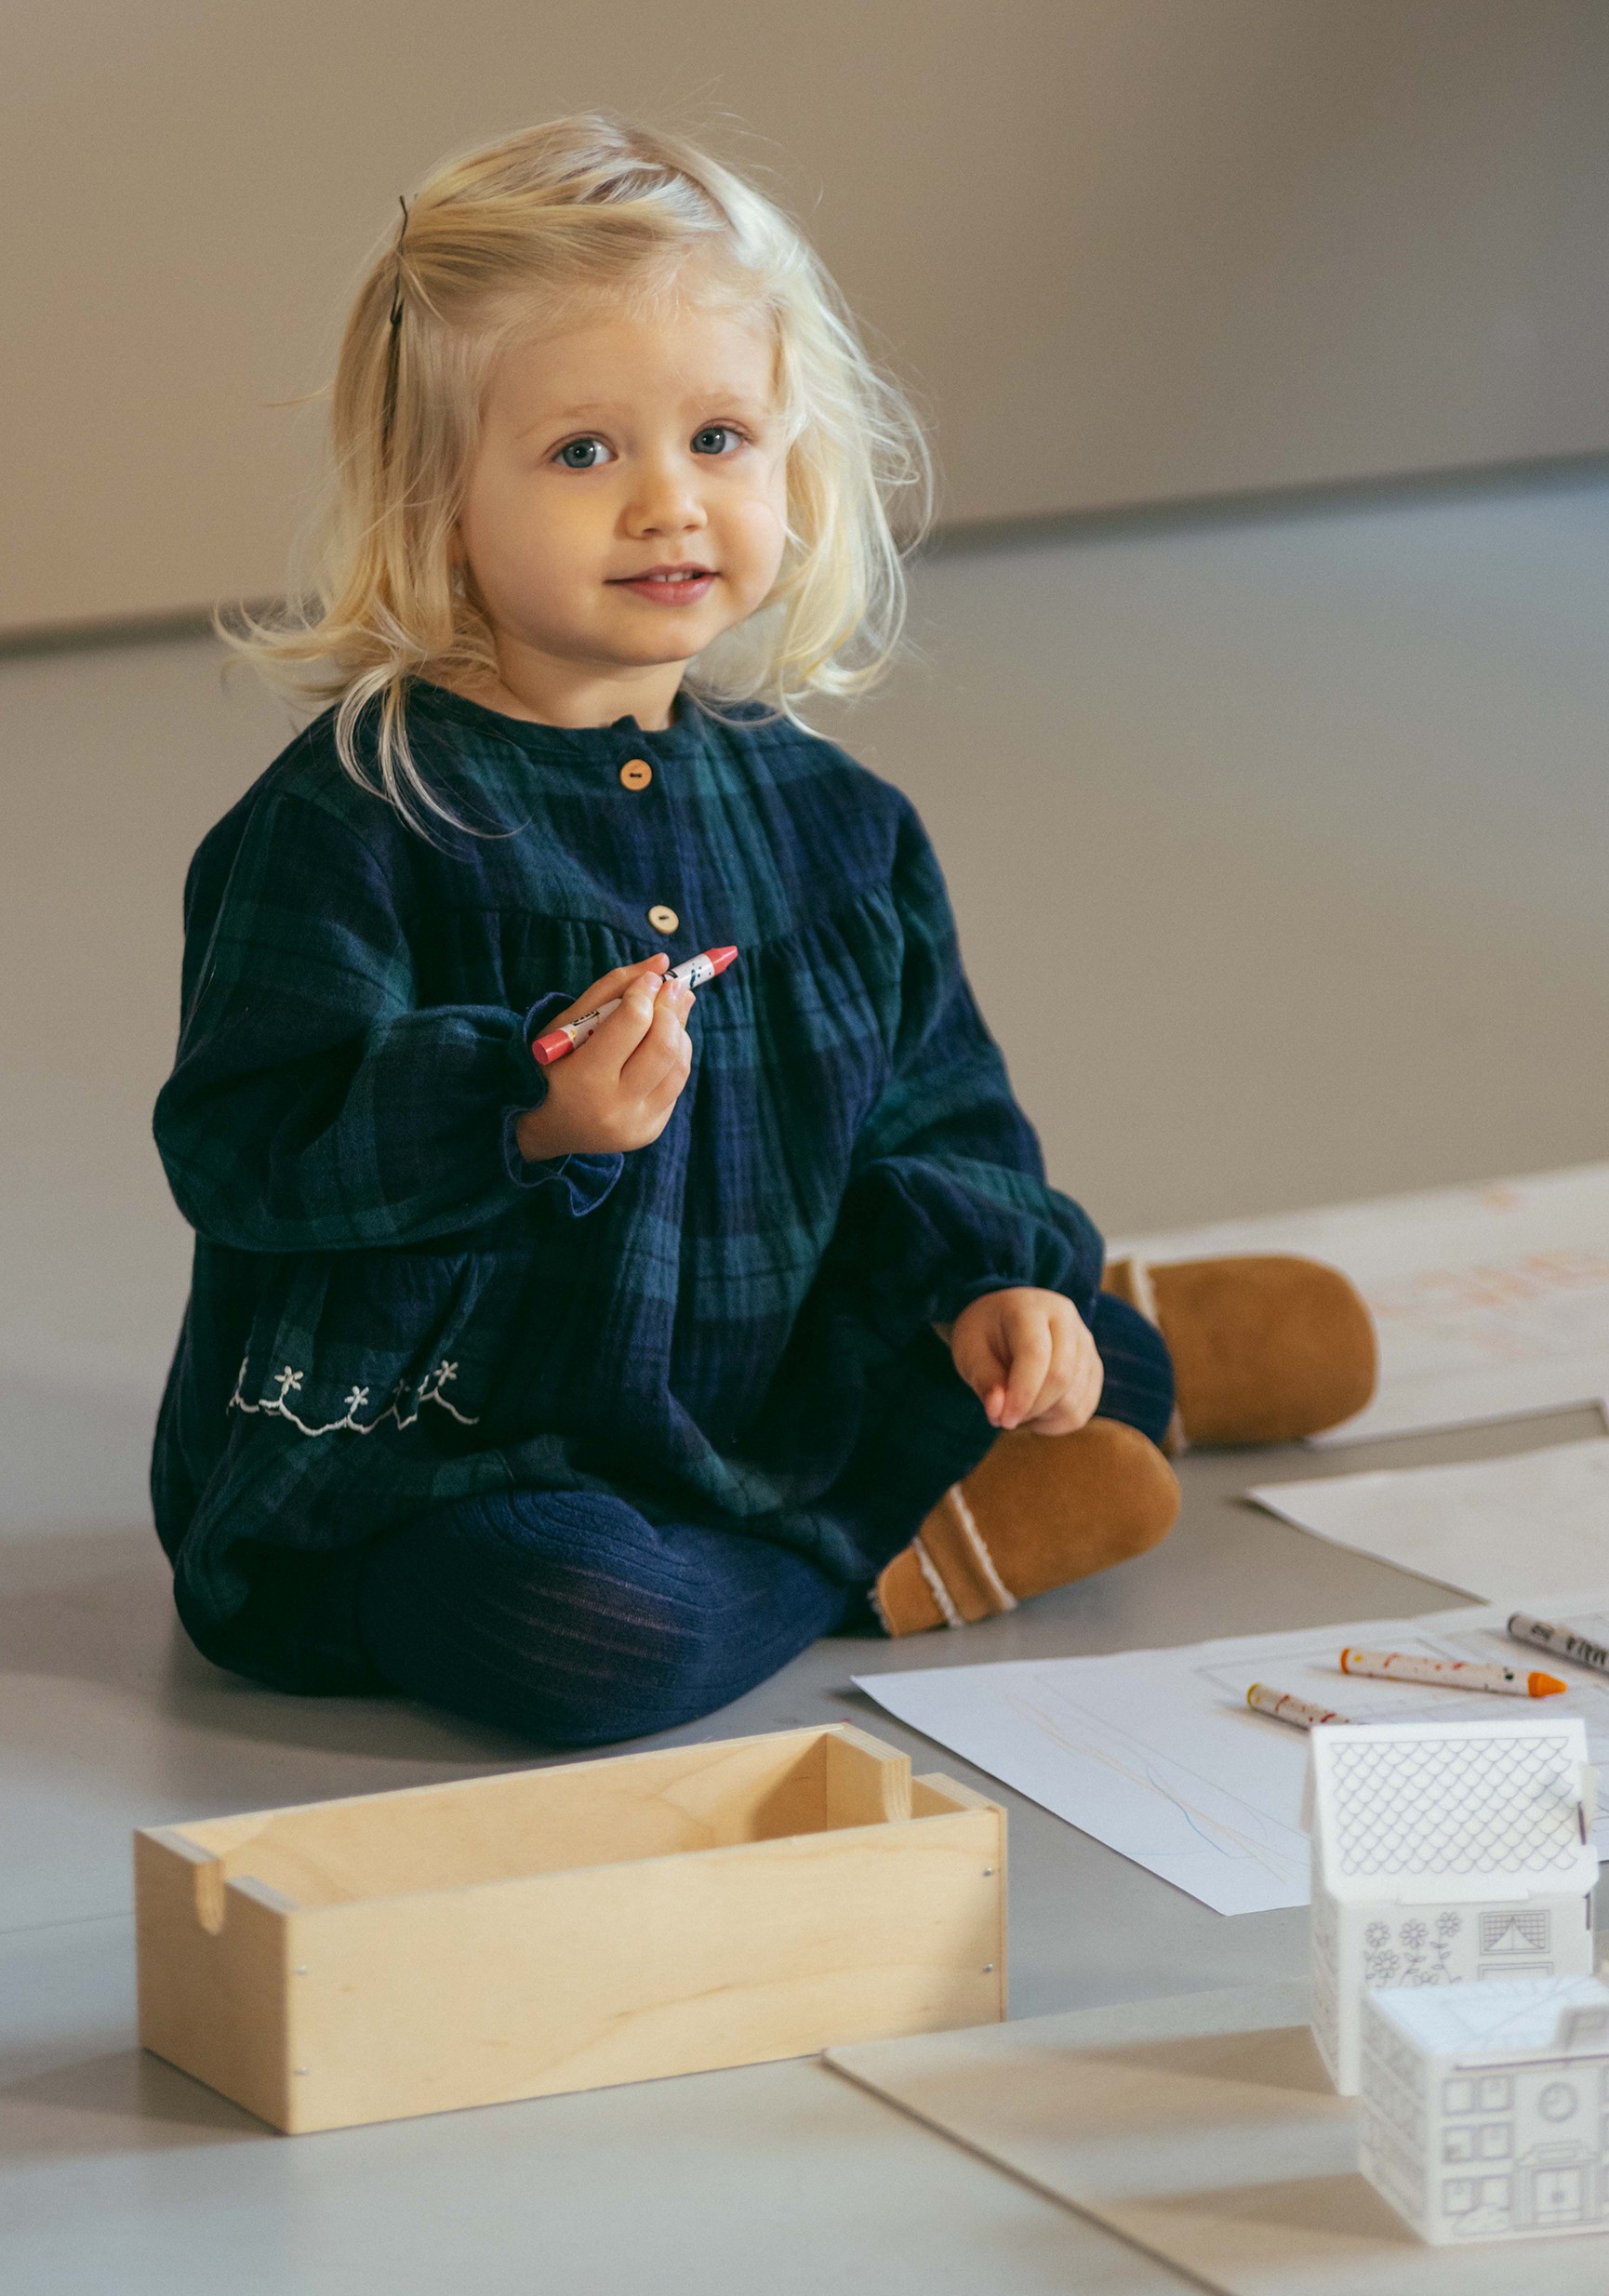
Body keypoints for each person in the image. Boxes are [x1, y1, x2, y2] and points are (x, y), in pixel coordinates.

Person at [152, 114, 1372, 1745]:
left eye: (720, 438)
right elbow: (242, 1139)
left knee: (1024, 1334)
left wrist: (993, 1280)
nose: (669, 503)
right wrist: (516, 1108)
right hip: (448, 1457)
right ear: (439, 497)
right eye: (586, 453)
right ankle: (913, 1523)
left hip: (757, 1369)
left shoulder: (839, 823)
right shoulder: (358, 817)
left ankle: (1107, 1338)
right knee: (592, 1639)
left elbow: (932, 1109)